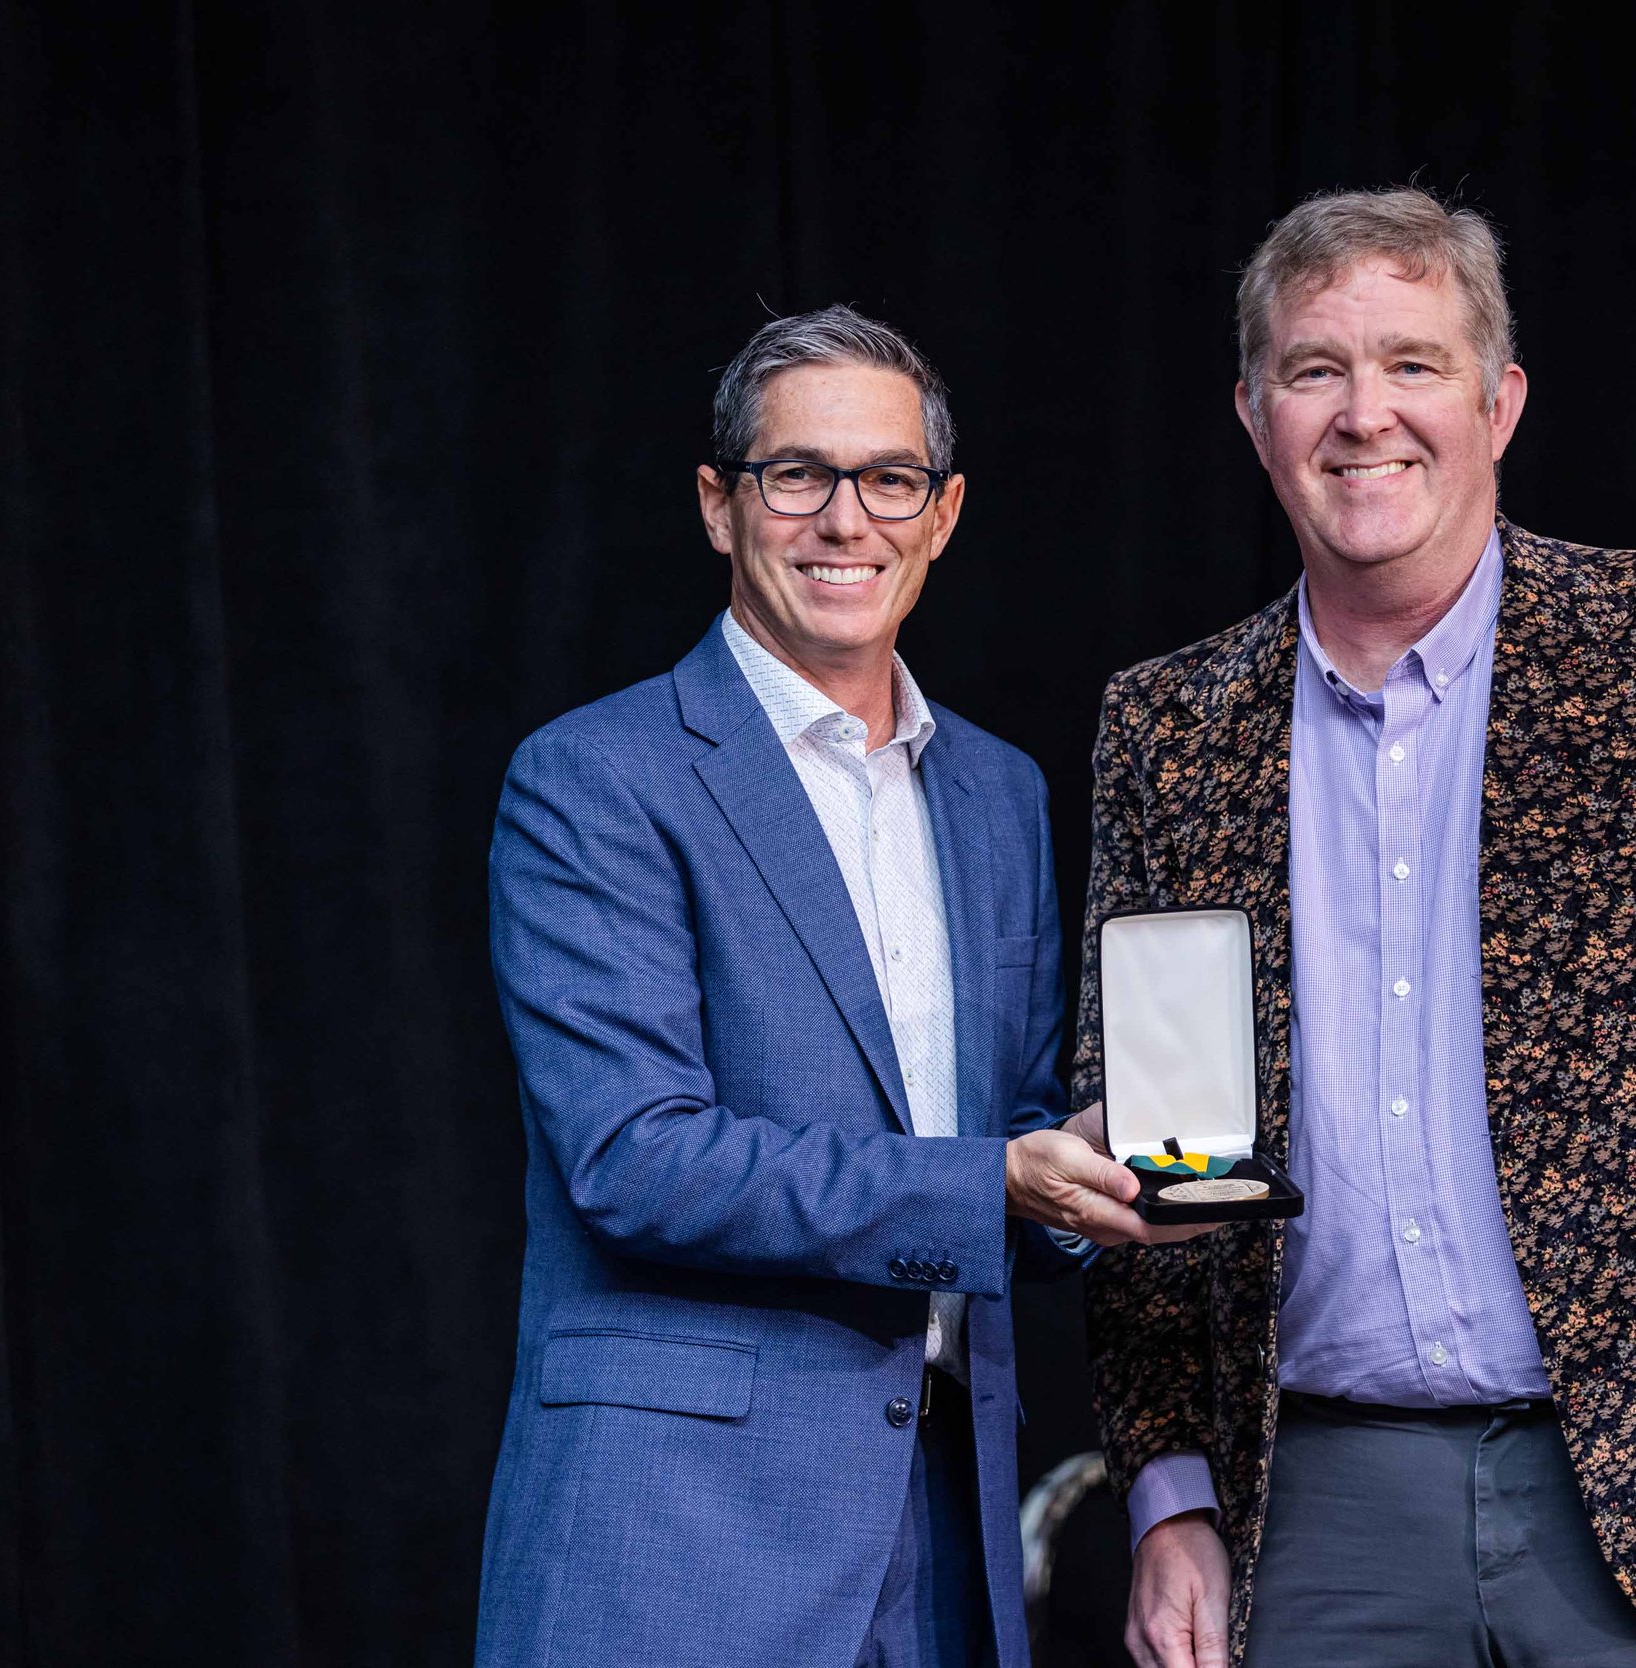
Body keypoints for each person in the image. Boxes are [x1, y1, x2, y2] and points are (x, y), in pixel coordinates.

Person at [1075, 187, 1636, 1668]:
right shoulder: (1170, 730)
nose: (1366, 415)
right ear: (1255, 416)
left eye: (1412, 363)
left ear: (1499, 403)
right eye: (1315, 370)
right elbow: (1145, 1145)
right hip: (1318, 1516)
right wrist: (1172, 1495)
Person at [475, 306, 1186, 1668]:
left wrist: (1113, 1182)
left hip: (946, 1538)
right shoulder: (594, 780)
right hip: (681, 1545)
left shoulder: (998, 794)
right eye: (797, 474)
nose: (845, 520)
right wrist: (996, 1185)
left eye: (890, 479)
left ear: (944, 514)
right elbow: (636, 1159)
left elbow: (1014, 1137)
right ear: (719, 505)